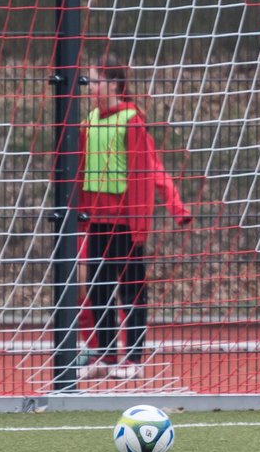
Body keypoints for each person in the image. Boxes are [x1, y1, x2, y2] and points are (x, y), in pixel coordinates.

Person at [76, 55, 192, 381]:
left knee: (131, 290)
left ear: (114, 84)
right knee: (98, 288)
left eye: (95, 80)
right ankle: (106, 353)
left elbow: (152, 168)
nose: (90, 87)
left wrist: (176, 206)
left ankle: (134, 358)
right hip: (96, 219)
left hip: (127, 222)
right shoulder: (89, 122)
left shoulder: (132, 122)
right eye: (88, 81)